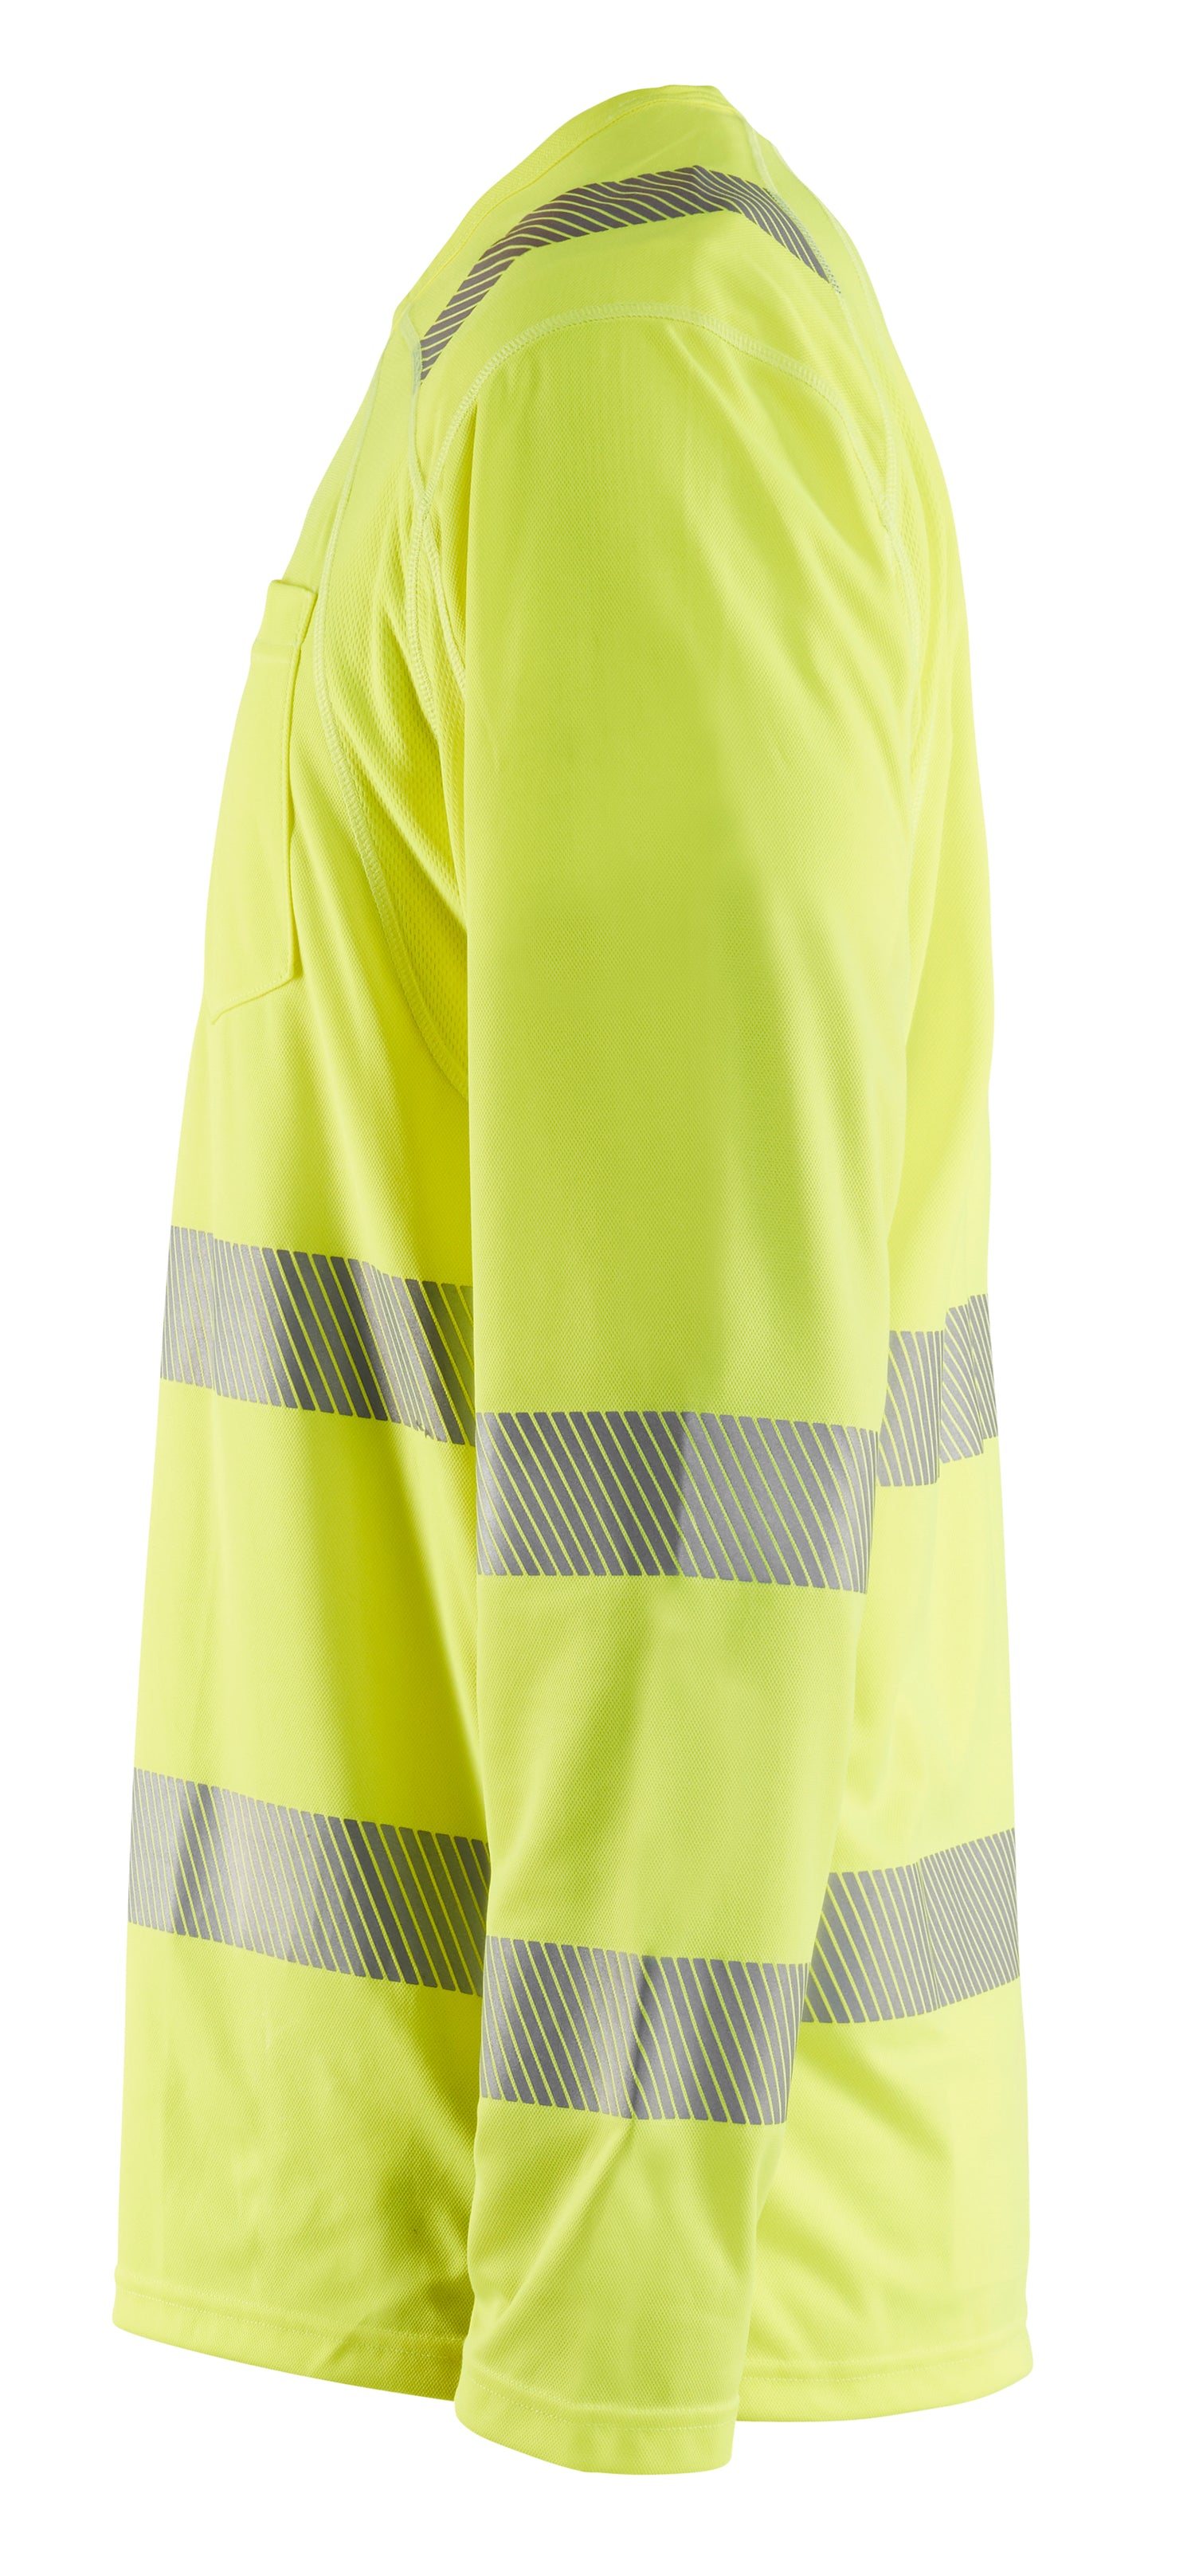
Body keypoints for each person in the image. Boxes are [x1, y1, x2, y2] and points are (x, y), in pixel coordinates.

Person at [116, 82, 1029, 2474]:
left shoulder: (636, 371)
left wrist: (599, 2355)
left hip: (616, 2303)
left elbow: (695, 1450)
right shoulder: (567, 337)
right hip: (458, 2256)